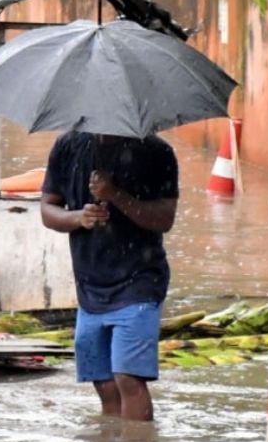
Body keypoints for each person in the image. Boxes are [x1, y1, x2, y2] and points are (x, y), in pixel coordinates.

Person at [40, 132, 179, 421]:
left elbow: (164, 219)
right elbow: (48, 208)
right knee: (103, 382)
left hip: (139, 281)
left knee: (128, 378)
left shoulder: (156, 151)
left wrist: (116, 195)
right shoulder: (67, 146)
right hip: (90, 285)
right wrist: (78, 217)